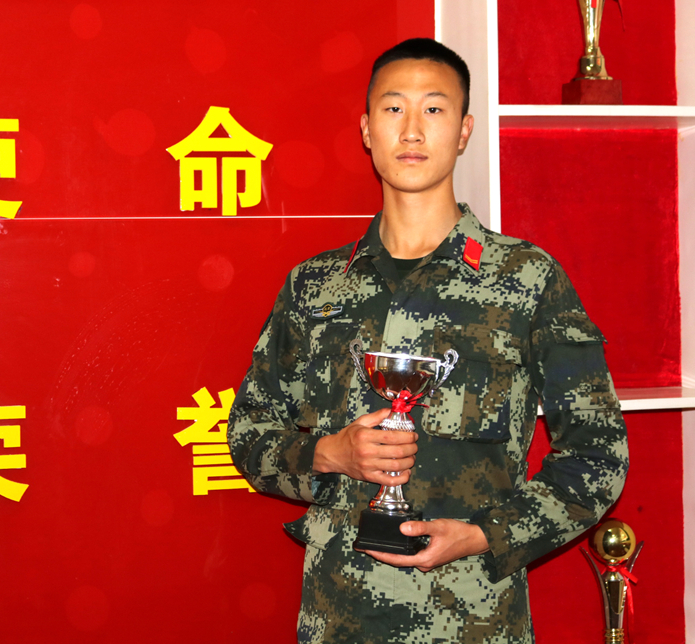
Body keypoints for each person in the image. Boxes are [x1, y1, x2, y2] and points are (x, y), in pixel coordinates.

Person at [226, 38, 629, 643]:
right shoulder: (314, 286)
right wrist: (328, 455)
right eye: (394, 108)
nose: (412, 129)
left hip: (475, 619)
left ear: (464, 131)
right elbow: (249, 432)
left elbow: (598, 455)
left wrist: (486, 536)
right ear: (367, 129)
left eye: (434, 109)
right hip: (338, 618)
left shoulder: (526, 280)